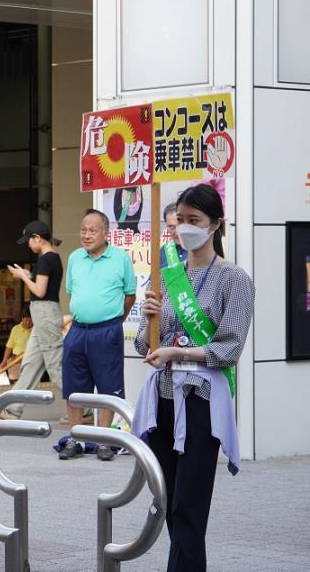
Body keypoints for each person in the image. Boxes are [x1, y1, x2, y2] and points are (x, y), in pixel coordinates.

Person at [132, 184, 253, 572]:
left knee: (189, 506)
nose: (185, 228)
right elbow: (143, 346)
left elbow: (229, 349)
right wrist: (148, 318)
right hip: (164, 400)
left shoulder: (233, 278)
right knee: (168, 500)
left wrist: (179, 353)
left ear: (215, 224)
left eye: (194, 221)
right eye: (179, 220)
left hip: (202, 402)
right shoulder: (166, 277)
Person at [60, 209, 136, 461]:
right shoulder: (74, 258)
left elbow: (130, 295)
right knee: (73, 387)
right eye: (83, 230)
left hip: (107, 331)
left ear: (106, 233)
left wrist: (114, 321)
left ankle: (104, 440)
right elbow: (72, 293)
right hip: (78, 330)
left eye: (93, 230)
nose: (87, 235)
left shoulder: (120, 258)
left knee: (107, 386)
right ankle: (76, 437)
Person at [2, 221, 65, 417]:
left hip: (45, 314)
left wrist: (23, 277)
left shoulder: (46, 259)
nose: (28, 245)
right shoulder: (52, 258)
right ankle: (13, 408)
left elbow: (39, 290)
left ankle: (85, 407)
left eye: (29, 240)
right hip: (43, 314)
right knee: (30, 363)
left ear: (37, 238)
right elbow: (43, 284)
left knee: (55, 365)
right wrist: (27, 273)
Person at [0, 306, 32, 383]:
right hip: (16, 362)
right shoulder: (16, 329)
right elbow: (9, 346)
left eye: (31, 321)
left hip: (30, 361)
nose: (28, 323)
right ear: (22, 318)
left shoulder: (35, 330)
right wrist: (4, 361)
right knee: (15, 383)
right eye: (26, 320)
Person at [160, 202, 187, 266]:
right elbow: (154, 276)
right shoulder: (165, 251)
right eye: (172, 227)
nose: (177, 233)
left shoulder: (202, 251)